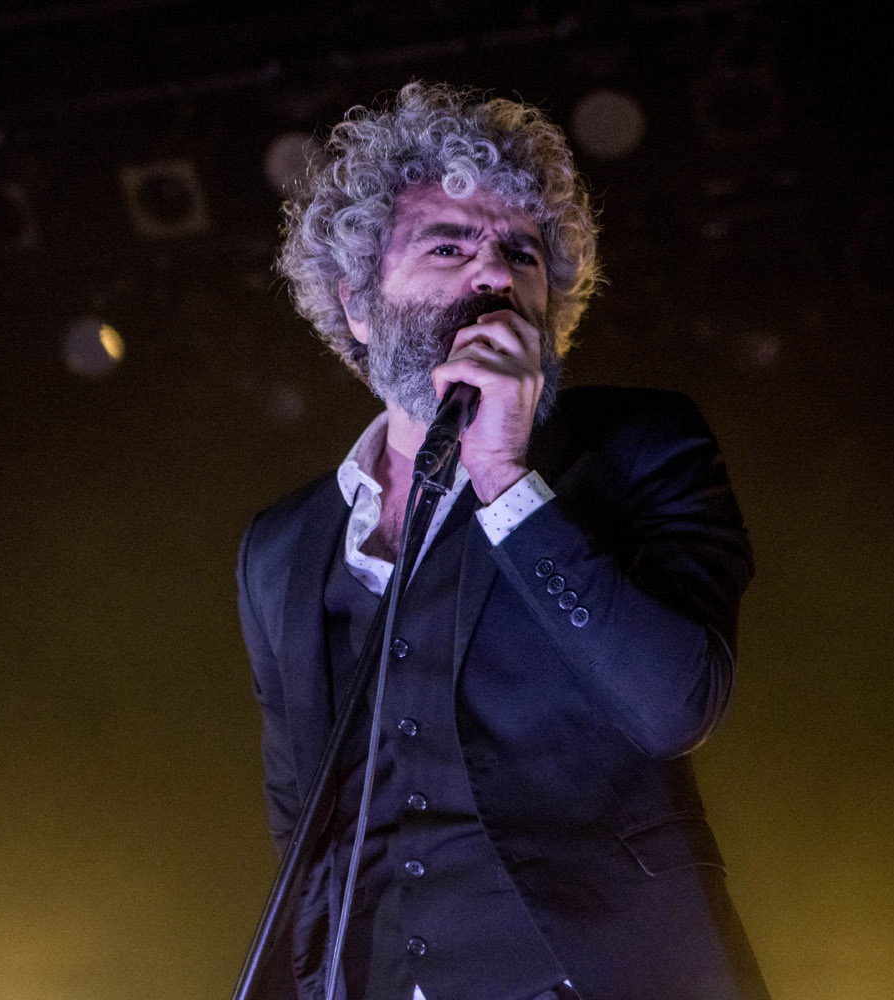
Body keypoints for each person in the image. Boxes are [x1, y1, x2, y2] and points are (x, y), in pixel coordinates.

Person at [237, 82, 771, 1000]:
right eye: (448, 246)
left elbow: (676, 704)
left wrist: (504, 477)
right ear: (357, 304)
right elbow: (304, 823)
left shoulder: (641, 445)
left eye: (520, 253)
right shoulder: (283, 545)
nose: (492, 276)